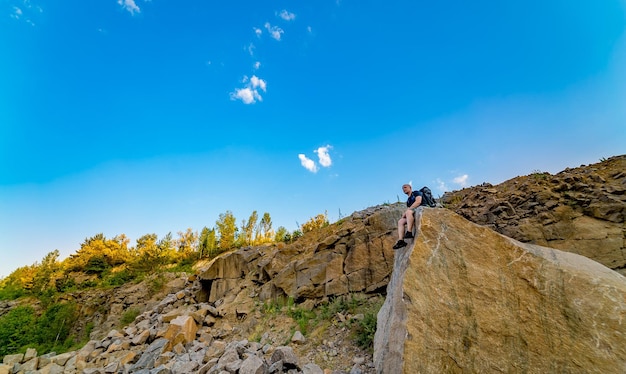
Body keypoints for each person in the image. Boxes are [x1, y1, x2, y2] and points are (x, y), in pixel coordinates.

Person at [393, 184, 423, 249]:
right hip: (412, 213)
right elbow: (409, 208)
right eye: (403, 188)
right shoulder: (408, 200)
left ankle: (409, 232)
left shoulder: (416, 193)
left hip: (420, 209)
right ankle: (401, 241)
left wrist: (408, 210)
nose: (404, 189)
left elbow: (418, 201)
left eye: (405, 187)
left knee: (408, 212)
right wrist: (405, 213)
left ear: (410, 187)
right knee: (401, 221)